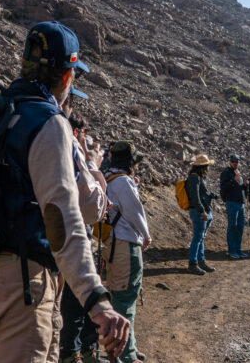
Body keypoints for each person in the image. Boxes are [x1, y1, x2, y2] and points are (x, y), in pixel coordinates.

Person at [0, 21, 130, 363]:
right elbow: (64, 218)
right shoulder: (47, 121)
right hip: (15, 284)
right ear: (67, 77)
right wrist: (96, 300)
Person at [60, 98, 112, 363]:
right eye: (83, 135)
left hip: (62, 242)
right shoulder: (66, 153)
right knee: (73, 303)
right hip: (69, 245)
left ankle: (75, 350)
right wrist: (92, 165)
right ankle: (71, 352)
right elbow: (92, 207)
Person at [102, 141, 151, 363]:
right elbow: (135, 213)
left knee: (119, 297)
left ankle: (125, 347)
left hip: (112, 245)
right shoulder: (123, 182)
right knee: (126, 301)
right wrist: (146, 235)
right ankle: (124, 355)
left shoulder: (107, 177)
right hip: (125, 245)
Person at [186, 154, 217, 275]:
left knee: (201, 237)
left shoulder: (200, 177)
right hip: (199, 211)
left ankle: (200, 261)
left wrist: (211, 195)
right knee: (198, 237)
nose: (209, 167)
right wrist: (202, 211)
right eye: (207, 165)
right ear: (203, 166)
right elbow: (195, 197)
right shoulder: (194, 178)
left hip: (204, 210)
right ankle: (193, 263)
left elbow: (202, 194)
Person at [220, 154, 249, 259]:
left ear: (239, 163)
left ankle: (238, 249)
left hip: (241, 203)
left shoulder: (238, 174)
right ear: (229, 162)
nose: (235, 163)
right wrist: (234, 180)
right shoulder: (226, 173)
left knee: (240, 227)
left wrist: (244, 185)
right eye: (233, 161)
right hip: (231, 202)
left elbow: (240, 189)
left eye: (237, 161)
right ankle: (231, 250)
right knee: (232, 226)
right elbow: (223, 187)